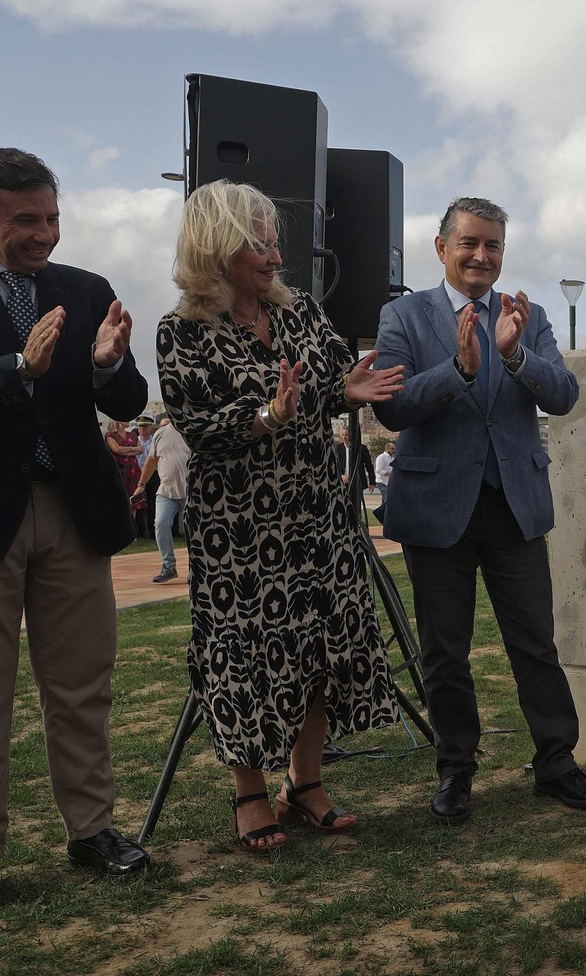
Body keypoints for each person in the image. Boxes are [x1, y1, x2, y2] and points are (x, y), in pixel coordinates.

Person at [0, 145, 152, 918]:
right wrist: (17, 367)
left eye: (52, 217)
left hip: (72, 511)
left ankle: (91, 831)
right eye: (25, 220)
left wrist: (109, 365)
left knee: (82, 686)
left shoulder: (86, 289)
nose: (45, 234)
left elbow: (126, 399)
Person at [155, 180, 405, 852]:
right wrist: (268, 415)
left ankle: (305, 782)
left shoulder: (302, 315)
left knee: (318, 648)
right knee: (245, 657)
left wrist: (346, 390)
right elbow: (198, 425)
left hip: (317, 514)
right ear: (216, 251)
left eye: (273, 242)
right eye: (258, 244)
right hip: (240, 529)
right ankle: (250, 793)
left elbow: (329, 386)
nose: (274, 256)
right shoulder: (182, 332)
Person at [374, 196, 586, 824]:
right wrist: (459, 369)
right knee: (444, 652)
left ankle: (556, 761)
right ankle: (455, 770)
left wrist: (513, 356)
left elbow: (564, 395)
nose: (481, 256)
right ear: (441, 248)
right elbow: (391, 407)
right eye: (469, 243)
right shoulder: (403, 316)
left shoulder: (527, 316)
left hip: (514, 507)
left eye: (493, 245)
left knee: (535, 645)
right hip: (436, 510)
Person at [131, 416, 189, 582]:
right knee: (161, 524)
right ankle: (168, 566)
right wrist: (141, 485)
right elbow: (151, 460)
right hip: (166, 491)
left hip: (192, 491)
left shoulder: (192, 431)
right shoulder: (160, 434)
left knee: (194, 531)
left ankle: (196, 568)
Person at [132, 413, 158, 539]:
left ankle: (153, 530)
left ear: (151, 427)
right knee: (137, 502)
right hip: (137, 473)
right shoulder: (134, 441)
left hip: (153, 473)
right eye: (140, 427)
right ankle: (139, 530)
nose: (142, 429)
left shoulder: (155, 440)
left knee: (153, 501)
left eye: (145, 426)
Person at [105, 418, 143, 499]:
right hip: (119, 467)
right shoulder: (110, 435)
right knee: (120, 492)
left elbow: (140, 450)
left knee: (134, 493)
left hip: (133, 468)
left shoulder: (133, 435)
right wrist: (133, 448)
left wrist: (124, 453)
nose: (128, 420)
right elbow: (116, 449)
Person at [375, 439, 395, 507]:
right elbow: (378, 470)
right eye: (392, 449)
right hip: (382, 481)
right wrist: (389, 473)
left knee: (385, 500)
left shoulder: (392, 458)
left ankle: (383, 512)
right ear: (387, 449)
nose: (394, 451)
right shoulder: (381, 457)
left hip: (388, 482)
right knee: (387, 498)